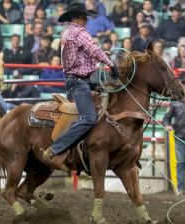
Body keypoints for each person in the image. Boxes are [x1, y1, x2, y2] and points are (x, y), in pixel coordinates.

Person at [42, 3, 120, 170]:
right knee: (89, 118)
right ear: (75, 18)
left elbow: (87, 53)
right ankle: (54, 149)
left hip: (83, 79)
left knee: (112, 96)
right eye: (84, 17)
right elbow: (93, 49)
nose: (86, 20)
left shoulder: (68, 32)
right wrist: (111, 64)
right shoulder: (78, 31)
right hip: (78, 81)